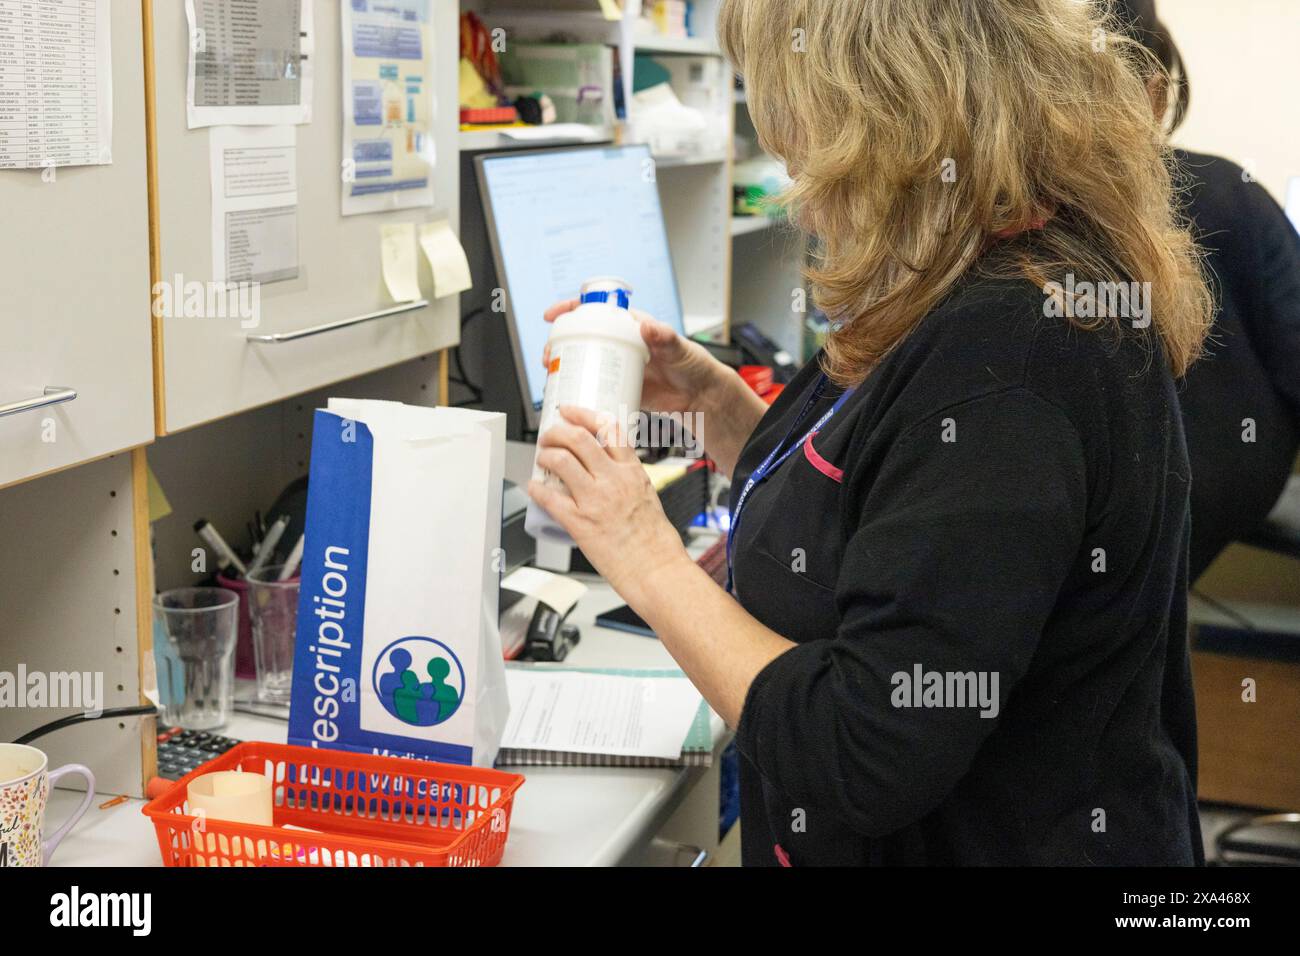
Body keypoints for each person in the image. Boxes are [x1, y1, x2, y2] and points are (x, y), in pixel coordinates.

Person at [527, 0, 1212, 865]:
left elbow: (865, 749)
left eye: (802, 144)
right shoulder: (984, 274)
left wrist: (641, 549)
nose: (796, 186)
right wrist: (718, 407)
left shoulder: (1015, 356)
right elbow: (882, 497)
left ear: (884, 125)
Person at [1115, 0, 1300, 581]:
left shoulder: (1040, 214)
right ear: (1159, 93)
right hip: (1228, 480)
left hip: (1114, 497)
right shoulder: (1234, 192)